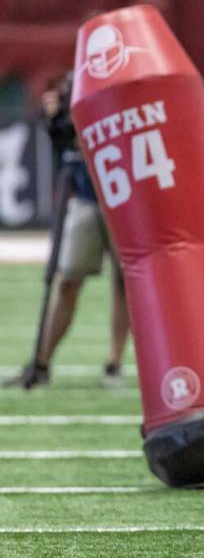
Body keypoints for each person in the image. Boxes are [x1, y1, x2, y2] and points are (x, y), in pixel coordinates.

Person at [4, 71, 129, 390]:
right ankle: (42, 362)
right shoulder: (75, 81)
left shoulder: (122, 79)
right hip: (87, 193)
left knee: (125, 281)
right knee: (67, 279)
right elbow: (64, 140)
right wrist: (56, 118)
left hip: (125, 195)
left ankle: (115, 362)